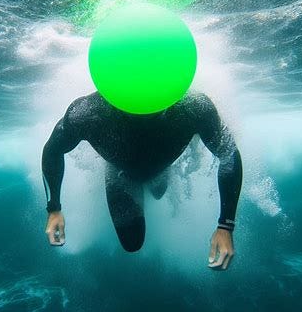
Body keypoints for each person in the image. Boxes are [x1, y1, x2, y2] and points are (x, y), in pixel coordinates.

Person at [42, 91, 242, 270]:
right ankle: (143, 178)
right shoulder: (87, 113)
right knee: (132, 243)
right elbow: (52, 150)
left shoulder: (194, 107)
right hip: (121, 174)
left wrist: (226, 226)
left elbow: (228, 155)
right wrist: (54, 209)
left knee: (158, 191)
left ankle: (161, 174)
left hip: (161, 168)